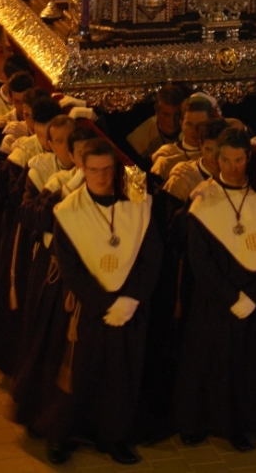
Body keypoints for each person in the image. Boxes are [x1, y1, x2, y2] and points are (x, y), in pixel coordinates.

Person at [45, 138, 162, 465]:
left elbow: (151, 255)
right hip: (90, 310)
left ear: (114, 169)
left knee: (122, 375)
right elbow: (70, 268)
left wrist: (131, 299)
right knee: (79, 374)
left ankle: (114, 436)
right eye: (93, 170)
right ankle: (63, 435)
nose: (100, 177)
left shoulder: (136, 202)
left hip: (130, 309)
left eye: (107, 170)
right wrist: (104, 303)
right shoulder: (69, 211)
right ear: (83, 169)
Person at [174, 127, 256, 451]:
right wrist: (231, 296)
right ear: (216, 159)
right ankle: (199, 422)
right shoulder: (204, 200)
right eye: (228, 160)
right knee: (208, 362)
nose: (235, 167)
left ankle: (239, 424)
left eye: (240, 160)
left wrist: (254, 296)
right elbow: (200, 260)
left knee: (246, 365)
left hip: (255, 301)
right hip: (215, 301)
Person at [126, 84, 184, 166]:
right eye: (166, 115)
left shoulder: (190, 127)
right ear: (157, 111)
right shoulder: (140, 138)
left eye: (177, 115)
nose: (172, 121)